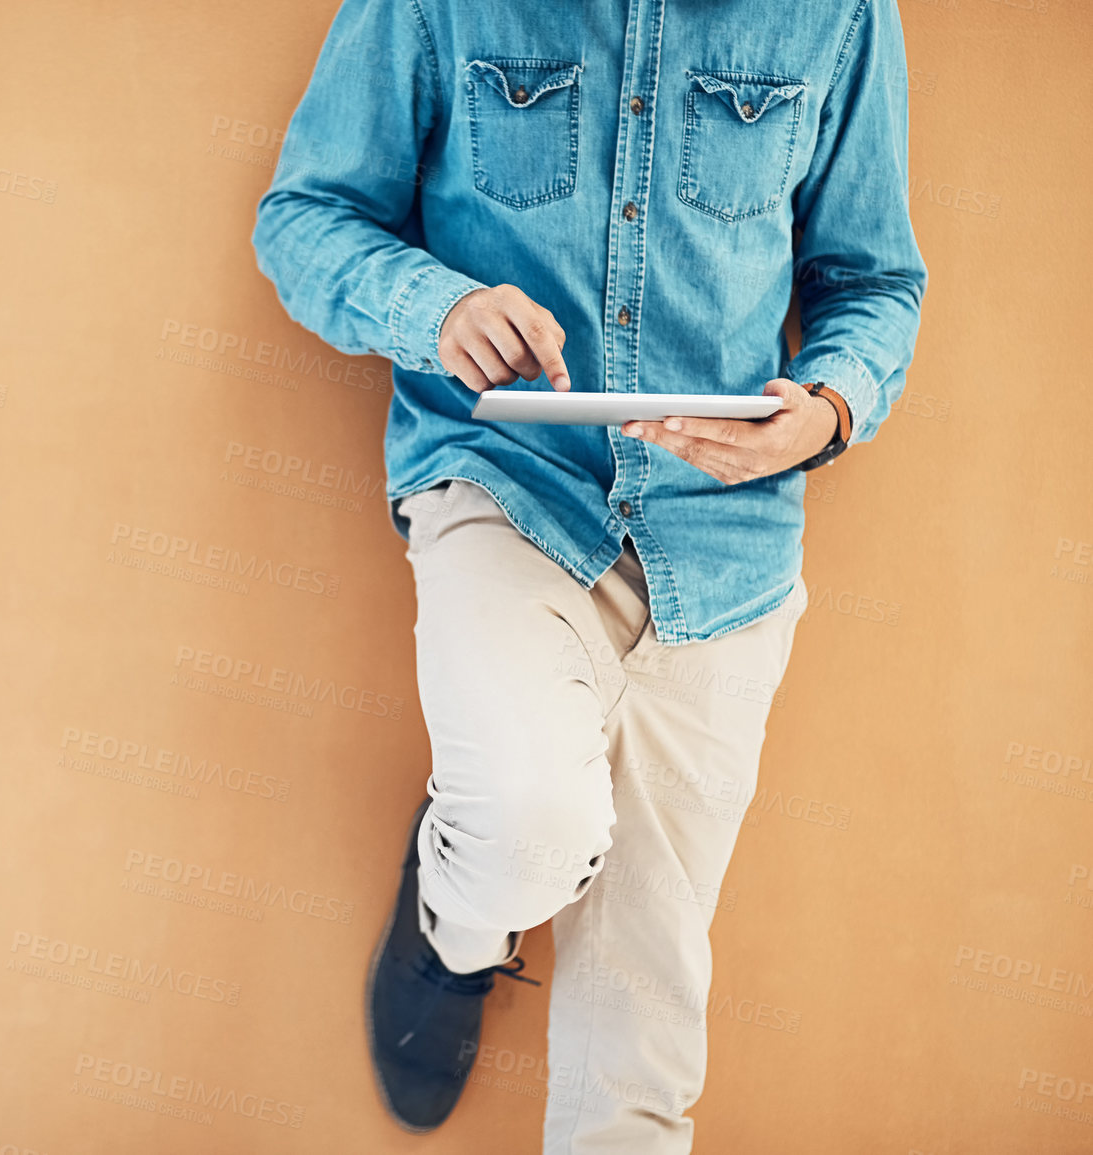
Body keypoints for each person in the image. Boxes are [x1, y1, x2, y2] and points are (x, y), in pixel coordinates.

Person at [251, 0, 925, 1149]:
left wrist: (827, 410)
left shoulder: (842, 16)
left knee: (644, 1062)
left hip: (729, 550)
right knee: (524, 828)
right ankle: (458, 926)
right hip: (508, 486)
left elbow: (874, 280)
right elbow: (304, 220)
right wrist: (441, 306)